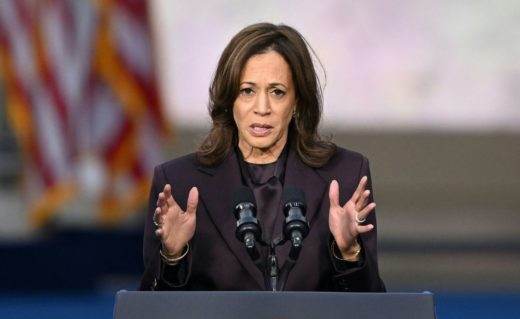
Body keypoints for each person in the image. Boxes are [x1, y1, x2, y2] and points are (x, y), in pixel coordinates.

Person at [140, 22, 385, 292]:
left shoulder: (345, 176)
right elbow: (151, 313)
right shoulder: (179, 183)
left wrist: (349, 254)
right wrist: (173, 258)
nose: (262, 108)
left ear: (298, 102)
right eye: (247, 91)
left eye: (277, 92)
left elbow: (372, 309)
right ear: (229, 98)